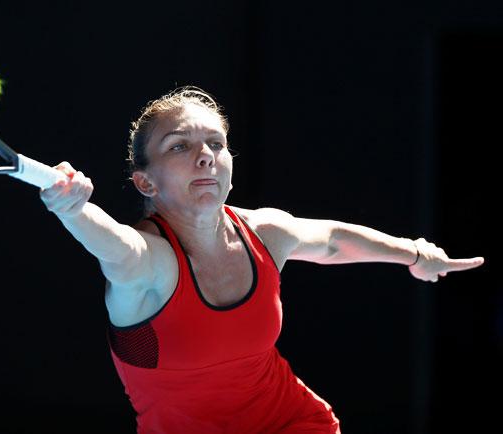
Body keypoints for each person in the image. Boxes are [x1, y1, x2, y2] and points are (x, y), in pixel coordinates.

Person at [38, 86, 485, 433]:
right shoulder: (147, 261)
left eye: (216, 142)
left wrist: (415, 254)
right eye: (179, 146)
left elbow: (330, 240)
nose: (204, 156)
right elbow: (113, 244)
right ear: (145, 183)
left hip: (291, 422)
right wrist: (73, 208)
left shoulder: (267, 232)